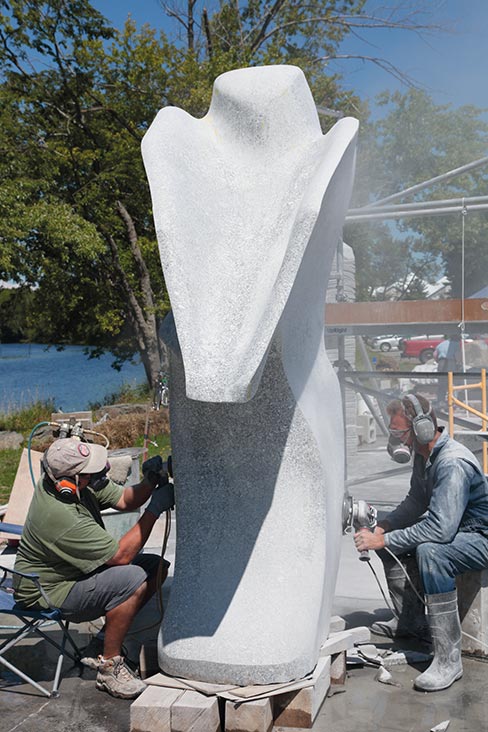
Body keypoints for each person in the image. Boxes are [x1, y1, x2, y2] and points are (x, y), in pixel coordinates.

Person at [13, 437, 174, 699]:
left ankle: (100, 643)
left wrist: (150, 481)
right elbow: (121, 555)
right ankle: (109, 667)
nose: (103, 472)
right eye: (92, 471)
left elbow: (125, 500)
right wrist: (155, 508)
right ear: (69, 481)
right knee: (132, 577)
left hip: (71, 575)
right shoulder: (61, 515)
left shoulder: (72, 485)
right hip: (47, 591)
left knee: (155, 568)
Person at [354, 393, 488, 692]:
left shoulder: (452, 464)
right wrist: (383, 528)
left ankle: (448, 661)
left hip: (481, 536)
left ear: (423, 429)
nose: (396, 439)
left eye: (399, 432)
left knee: (431, 552)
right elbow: (416, 501)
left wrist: (383, 539)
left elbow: (440, 530)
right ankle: (410, 621)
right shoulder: (425, 455)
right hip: (460, 531)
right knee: (384, 532)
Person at [434, 335, 460, 406]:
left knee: (442, 383)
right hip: (451, 362)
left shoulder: (440, 344)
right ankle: (453, 401)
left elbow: (435, 355)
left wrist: (438, 361)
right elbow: (457, 355)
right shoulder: (455, 344)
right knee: (452, 382)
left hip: (441, 363)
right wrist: (459, 364)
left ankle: (440, 401)